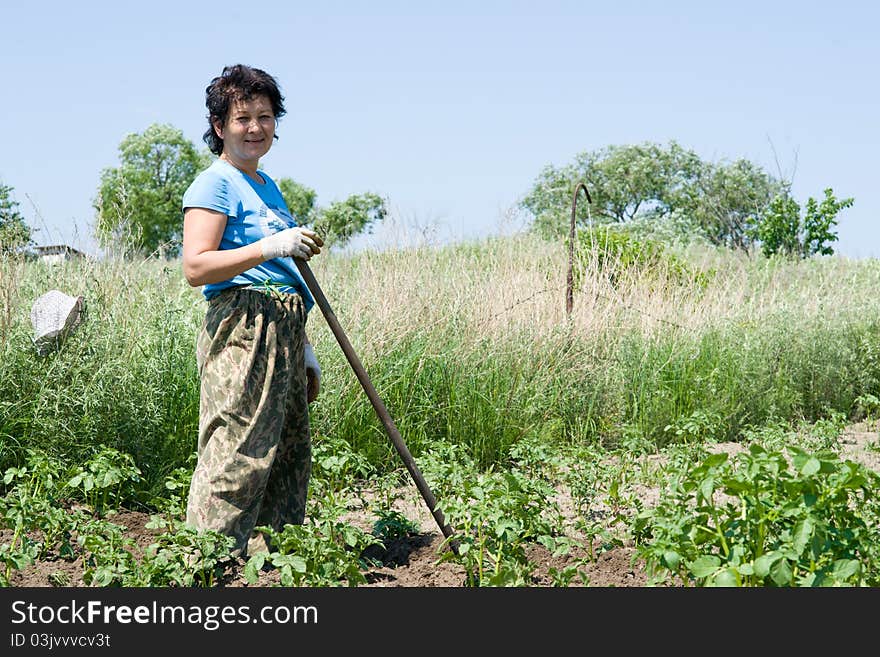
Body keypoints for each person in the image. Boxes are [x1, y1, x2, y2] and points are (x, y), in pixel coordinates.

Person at [181, 63, 324, 558]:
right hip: (245, 324)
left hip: (283, 323)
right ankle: (207, 564)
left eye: (265, 116)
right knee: (237, 450)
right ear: (220, 126)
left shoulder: (266, 186)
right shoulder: (214, 183)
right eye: (242, 118)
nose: (255, 127)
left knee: (286, 454)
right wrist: (270, 247)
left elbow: (286, 274)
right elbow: (197, 266)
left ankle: (273, 565)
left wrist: (304, 347)